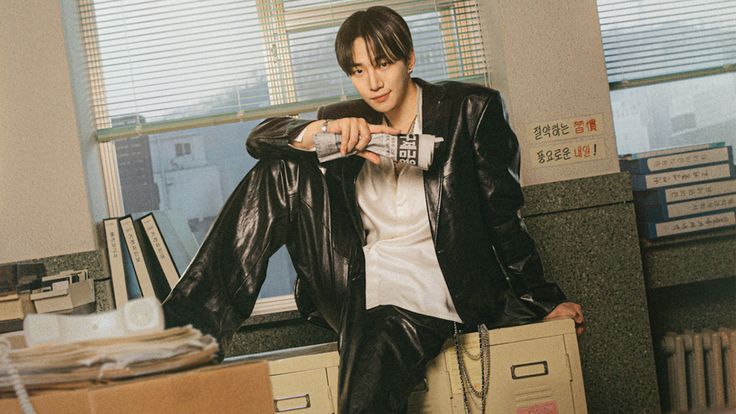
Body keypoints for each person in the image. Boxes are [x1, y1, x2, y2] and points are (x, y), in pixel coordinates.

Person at [163, 5, 584, 413]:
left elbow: (503, 215)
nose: (373, 83)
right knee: (280, 172)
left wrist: (542, 300)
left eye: (383, 64)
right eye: (359, 71)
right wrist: (321, 129)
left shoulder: (470, 109)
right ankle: (186, 335)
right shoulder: (345, 119)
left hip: (430, 286)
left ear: (409, 59)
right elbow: (258, 140)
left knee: (372, 368)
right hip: (354, 278)